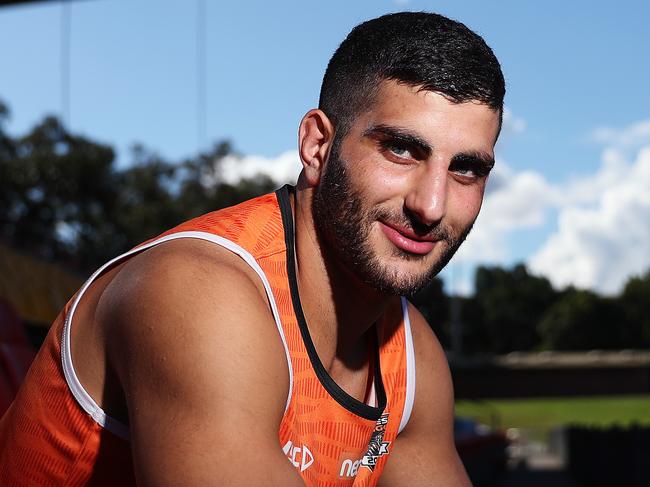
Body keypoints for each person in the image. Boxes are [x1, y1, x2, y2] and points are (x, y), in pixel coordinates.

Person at [0, 11, 505, 486]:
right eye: (399, 148)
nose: (432, 205)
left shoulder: (414, 359)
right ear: (317, 147)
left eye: (466, 168)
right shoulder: (195, 291)